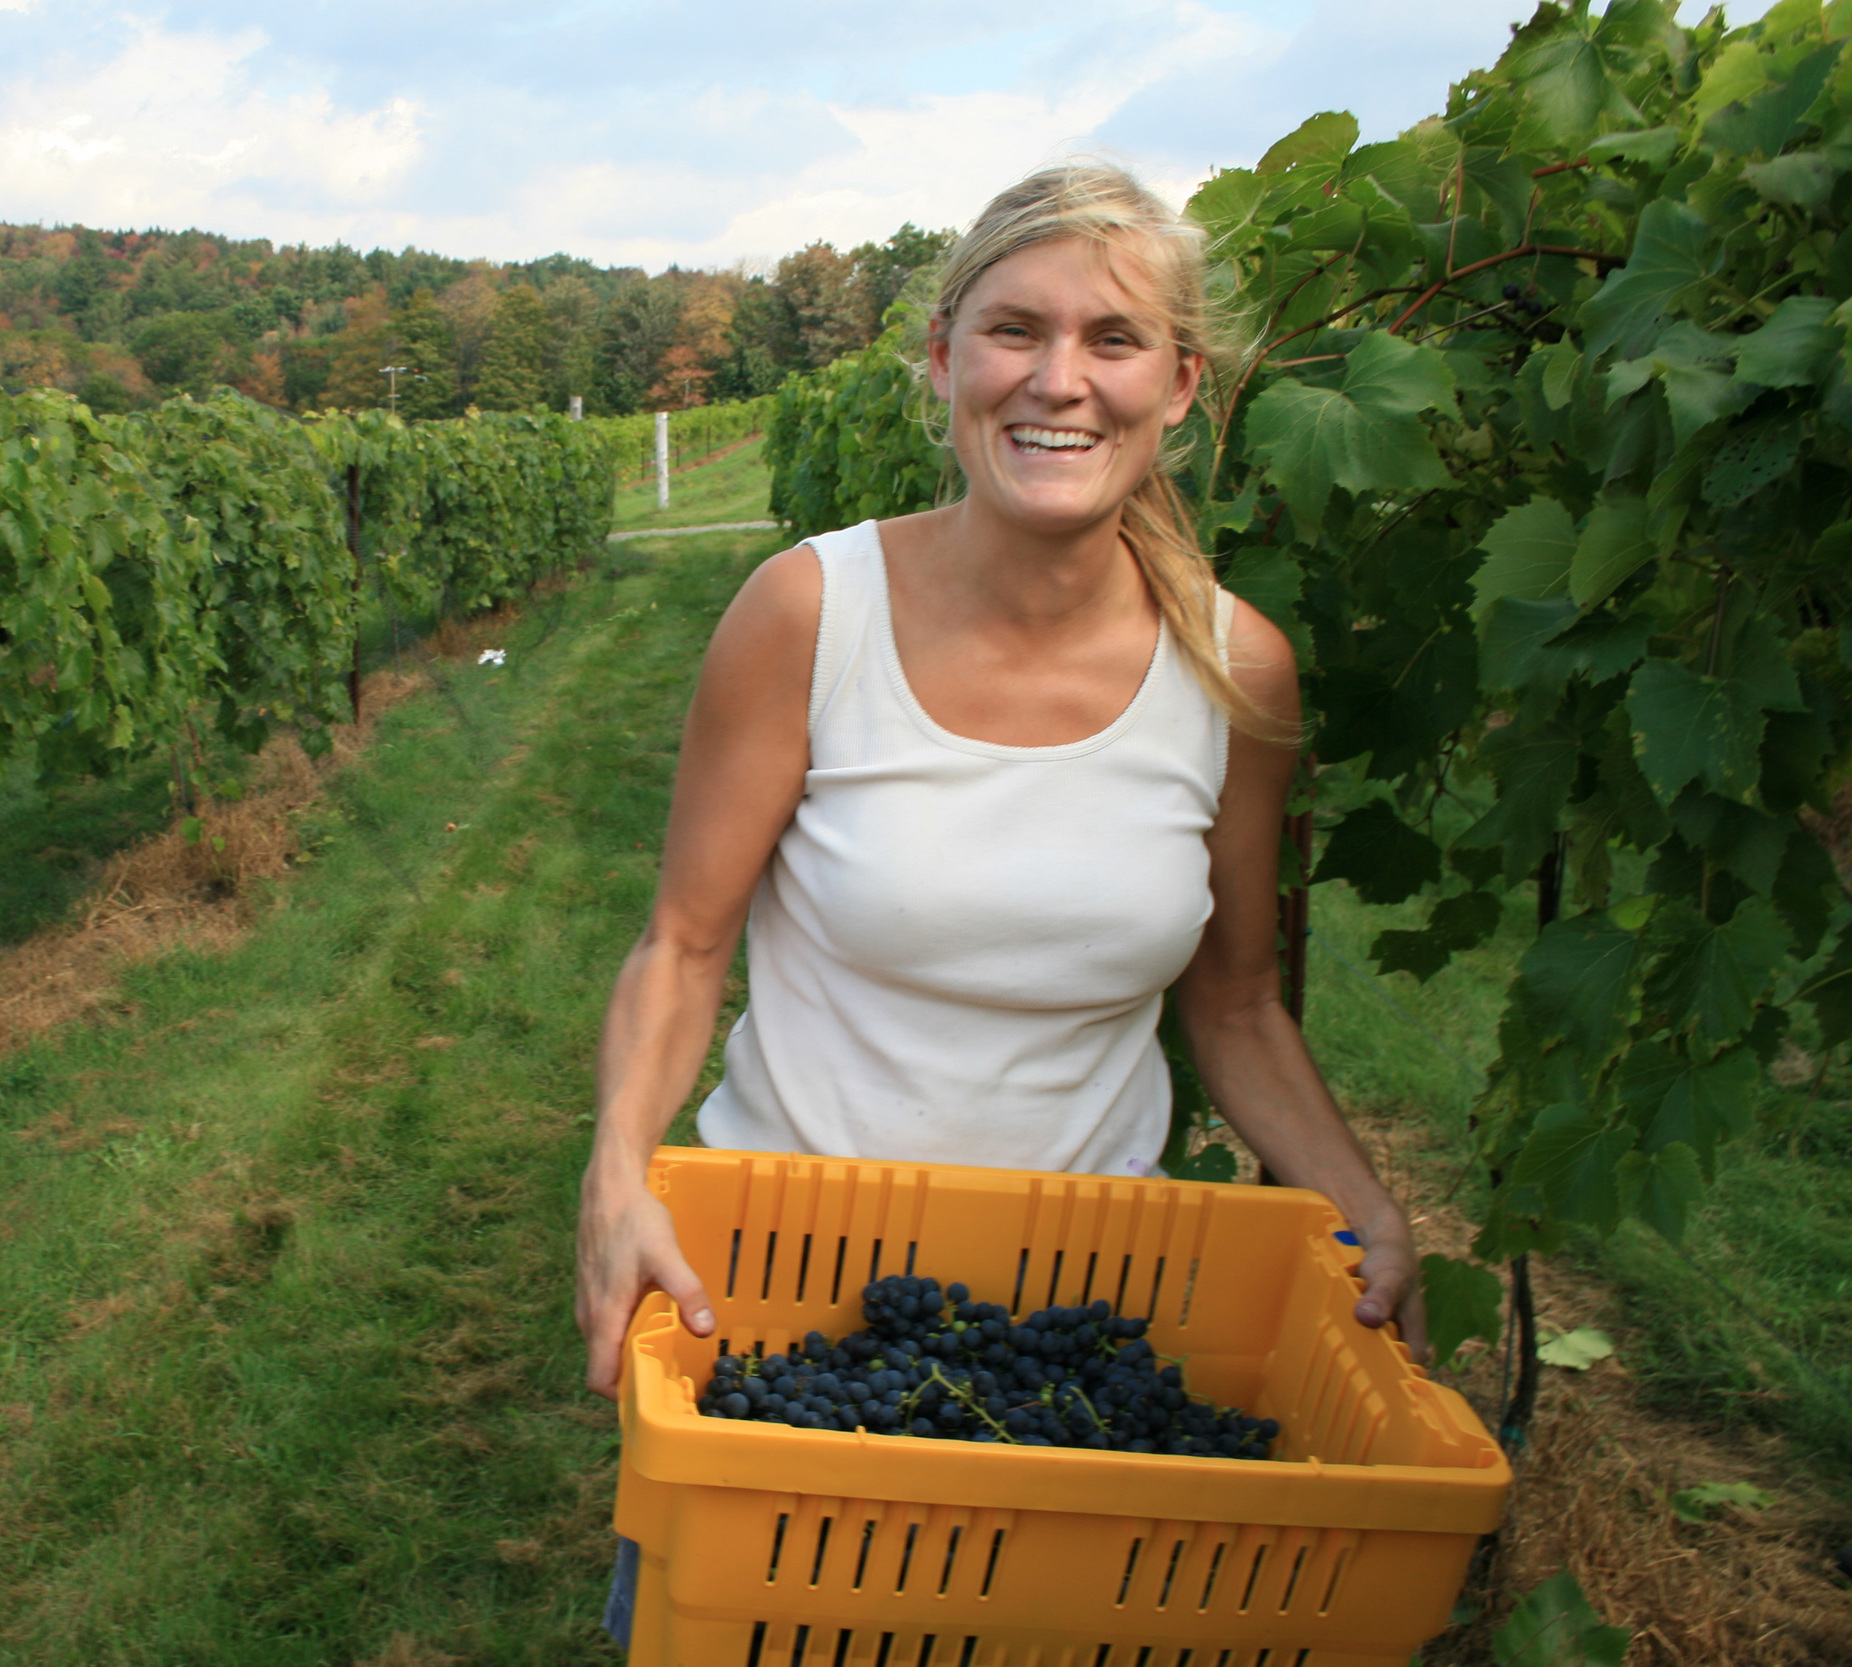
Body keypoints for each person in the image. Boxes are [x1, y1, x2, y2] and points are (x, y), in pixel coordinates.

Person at [576, 163, 1425, 1433]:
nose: (1058, 379)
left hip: (1071, 1314)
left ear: (1182, 383)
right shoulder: (810, 614)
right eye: (1014, 329)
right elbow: (686, 942)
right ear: (942, 356)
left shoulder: (1234, 666)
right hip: (779, 1290)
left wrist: (1369, 1208)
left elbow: (1236, 998)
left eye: (1114, 338)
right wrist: (615, 1172)